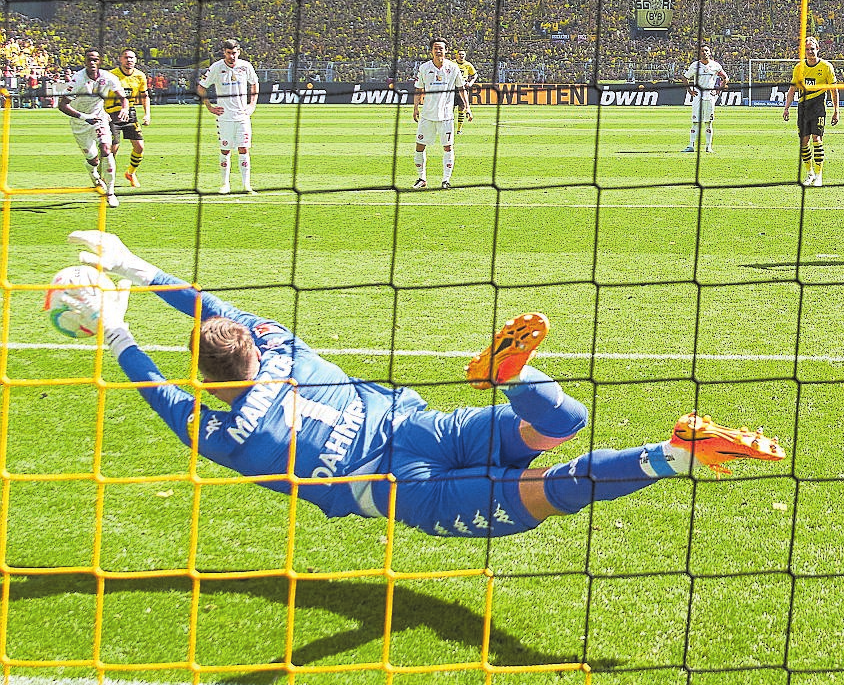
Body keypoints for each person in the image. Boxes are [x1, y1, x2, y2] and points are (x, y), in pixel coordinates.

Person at [62, 230, 785, 540]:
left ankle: (672, 456)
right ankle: (515, 377)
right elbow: (212, 308)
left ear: (208, 378)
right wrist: (137, 269)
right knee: (561, 421)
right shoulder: (279, 341)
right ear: (249, 343)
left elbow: (163, 397)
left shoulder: (227, 434)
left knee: (544, 493)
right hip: (416, 424)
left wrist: (116, 332)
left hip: (392, 486)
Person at [57, 50, 128, 208]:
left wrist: (124, 108)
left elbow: (122, 97)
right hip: (80, 123)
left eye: (95, 60)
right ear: (85, 62)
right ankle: (93, 173)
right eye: (89, 60)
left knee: (106, 149)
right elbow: (62, 105)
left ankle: (110, 193)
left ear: (100, 61)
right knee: (93, 159)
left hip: (99, 119)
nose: (92, 63)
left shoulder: (108, 77)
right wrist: (84, 117)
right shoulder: (77, 80)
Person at [196, 38, 259, 194]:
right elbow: (201, 87)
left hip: (242, 116)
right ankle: (225, 184)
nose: (232, 56)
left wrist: (252, 105)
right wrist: (209, 106)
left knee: (244, 149)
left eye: (235, 53)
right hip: (224, 117)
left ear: (239, 52)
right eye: (229, 53)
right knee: (225, 150)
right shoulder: (216, 68)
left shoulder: (246, 66)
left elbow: (255, 83)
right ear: (224, 52)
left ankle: (246, 185)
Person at [782, 37, 840, 186]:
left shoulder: (826, 67)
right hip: (803, 108)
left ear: (818, 49)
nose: (810, 52)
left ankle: (819, 175)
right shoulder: (799, 68)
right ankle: (810, 173)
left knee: (817, 139)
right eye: (807, 49)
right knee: (804, 142)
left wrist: (836, 111)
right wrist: (787, 107)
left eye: (812, 49)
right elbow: (792, 89)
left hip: (818, 108)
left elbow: (834, 90)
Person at [413, 38, 469, 190]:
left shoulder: (453, 68)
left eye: (441, 48)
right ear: (431, 51)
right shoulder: (424, 68)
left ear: (446, 50)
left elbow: (461, 88)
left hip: (446, 117)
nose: (438, 51)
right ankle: (421, 178)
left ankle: (446, 180)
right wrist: (415, 108)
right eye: (436, 48)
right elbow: (418, 89)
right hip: (427, 116)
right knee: (419, 147)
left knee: (448, 148)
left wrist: (467, 107)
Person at [108, 48, 151, 188]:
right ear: (120, 59)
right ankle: (106, 177)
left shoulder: (140, 76)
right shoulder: (111, 75)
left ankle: (130, 173)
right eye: (126, 57)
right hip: (111, 114)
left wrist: (147, 114)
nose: (129, 60)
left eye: (132, 58)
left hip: (129, 113)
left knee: (139, 147)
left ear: (136, 60)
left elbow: (145, 96)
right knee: (112, 148)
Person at [679, 44, 727, 154]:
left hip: (710, 97)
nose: (704, 52)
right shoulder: (695, 66)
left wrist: (718, 90)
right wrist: (690, 91)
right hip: (698, 97)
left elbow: (725, 78)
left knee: (708, 122)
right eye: (702, 51)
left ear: (710, 52)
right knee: (695, 121)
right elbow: (685, 78)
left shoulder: (715, 66)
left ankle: (708, 146)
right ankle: (691, 145)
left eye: (706, 50)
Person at [454, 49, 477, 134]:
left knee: (461, 109)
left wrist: (470, 83)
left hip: (463, 89)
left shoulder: (468, 65)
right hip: (452, 89)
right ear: (456, 55)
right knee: (449, 110)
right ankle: (449, 129)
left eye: (463, 54)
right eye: (460, 54)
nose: (461, 56)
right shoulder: (452, 63)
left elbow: (475, 75)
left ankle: (459, 130)